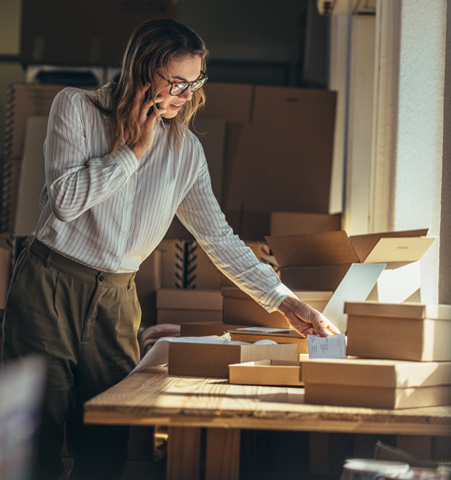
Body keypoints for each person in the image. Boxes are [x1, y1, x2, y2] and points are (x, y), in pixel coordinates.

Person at [2, 17, 340, 480]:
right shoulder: (76, 107)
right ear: (143, 73)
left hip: (116, 301)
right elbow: (64, 203)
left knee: (106, 440)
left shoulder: (185, 151)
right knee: (33, 438)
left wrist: (283, 300)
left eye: (195, 81)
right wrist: (132, 153)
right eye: (176, 82)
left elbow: (218, 237)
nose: (186, 95)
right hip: (49, 287)